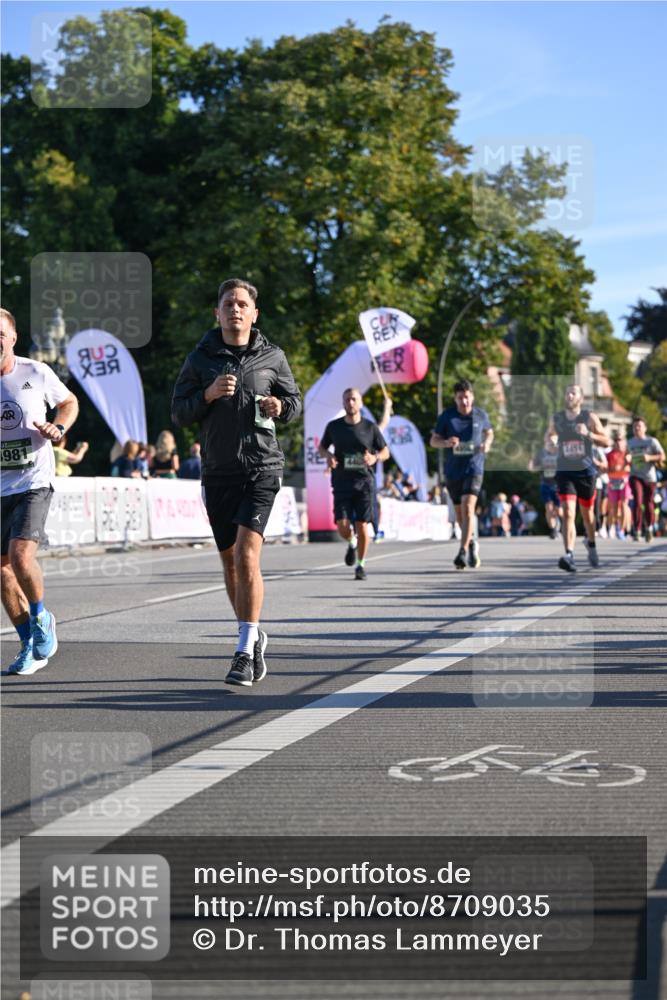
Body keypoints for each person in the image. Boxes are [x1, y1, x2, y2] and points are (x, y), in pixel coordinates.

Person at [172, 277, 301, 686]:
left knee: (247, 556)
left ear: (254, 313)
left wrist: (280, 405)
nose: (236, 309)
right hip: (218, 471)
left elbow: (294, 404)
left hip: (262, 468)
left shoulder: (273, 357)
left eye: (242, 303)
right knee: (230, 563)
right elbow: (178, 412)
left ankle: (244, 650)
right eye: (228, 303)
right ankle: (253, 629)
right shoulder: (200, 359)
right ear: (218, 312)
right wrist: (207, 395)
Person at [1, 307, 80, 675]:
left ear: (12, 338)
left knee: (20, 556)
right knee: (2, 575)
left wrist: (58, 428)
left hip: (33, 480)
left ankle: (40, 616)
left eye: (0, 334)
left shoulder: (35, 371)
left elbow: (68, 402)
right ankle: (28, 644)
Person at [318, 387, 390, 580]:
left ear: (361, 403)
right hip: (342, 482)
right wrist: (329, 456)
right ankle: (351, 542)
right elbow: (322, 448)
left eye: (354, 399)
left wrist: (375, 458)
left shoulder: (370, 428)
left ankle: (361, 565)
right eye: (347, 400)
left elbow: (385, 452)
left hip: (364, 483)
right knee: (342, 526)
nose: (351, 403)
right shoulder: (334, 427)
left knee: (362, 526)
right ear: (343, 403)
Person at [545, 383, 609, 572]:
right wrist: (551, 443)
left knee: (588, 517)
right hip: (565, 472)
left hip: (586, 472)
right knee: (568, 513)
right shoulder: (556, 419)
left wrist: (588, 433)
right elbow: (548, 440)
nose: (569, 396)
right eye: (567, 393)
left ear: (580, 398)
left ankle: (591, 543)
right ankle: (569, 554)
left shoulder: (589, 417)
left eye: (573, 393)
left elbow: (606, 441)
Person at [430, 378, 493, 569]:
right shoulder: (447, 417)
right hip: (453, 471)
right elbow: (433, 441)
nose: (464, 402)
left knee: (467, 509)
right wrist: (447, 443)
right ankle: (471, 543)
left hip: (474, 468)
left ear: (472, 396)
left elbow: (489, 432)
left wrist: (486, 444)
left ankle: (462, 552)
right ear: (455, 399)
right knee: (460, 515)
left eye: (466, 397)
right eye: (460, 398)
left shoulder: (480, 415)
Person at [627, 416, 665, 542]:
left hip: (649, 477)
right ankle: (637, 530)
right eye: (634, 426)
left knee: (648, 503)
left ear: (645, 428)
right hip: (635, 476)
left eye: (639, 426)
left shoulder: (652, 441)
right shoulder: (630, 443)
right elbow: (624, 457)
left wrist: (649, 458)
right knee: (637, 500)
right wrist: (626, 459)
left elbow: (662, 456)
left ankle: (649, 528)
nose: (637, 428)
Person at [529, 441, 562, 539]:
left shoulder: (560, 453)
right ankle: (553, 530)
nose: (552, 444)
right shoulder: (541, 454)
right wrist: (534, 464)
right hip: (545, 484)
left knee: (559, 511)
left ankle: (557, 523)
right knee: (548, 508)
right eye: (550, 442)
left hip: (558, 485)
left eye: (554, 443)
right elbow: (532, 468)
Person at [605, 431, 631, 539]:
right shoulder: (609, 454)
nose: (618, 442)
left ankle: (622, 530)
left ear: (624, 441)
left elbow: (632, 467)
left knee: (624, 505)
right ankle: (616, 526)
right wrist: (610, 469)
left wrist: (627, 465)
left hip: (624, 482)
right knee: (614, 507)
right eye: (616, 440)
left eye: (620, 440)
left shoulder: (627, 453)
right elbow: (605, 468)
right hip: (613, 482)